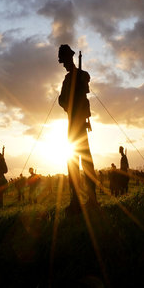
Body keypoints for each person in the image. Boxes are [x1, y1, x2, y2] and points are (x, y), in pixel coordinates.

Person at [58, 44, 99, 214]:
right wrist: (68, 104)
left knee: (86, 161)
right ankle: (75, 200)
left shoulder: (81, 75)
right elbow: (61, 100)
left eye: (66, 61)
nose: (65, 65)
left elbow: (86, 80)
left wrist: (80, 81)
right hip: (71, 124)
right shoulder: (67, 80)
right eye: (63, 62)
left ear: (71, 59)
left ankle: (92, 199)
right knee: (72, 163)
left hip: (80, 124)